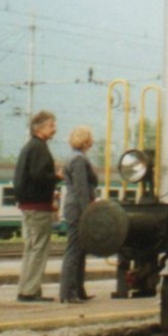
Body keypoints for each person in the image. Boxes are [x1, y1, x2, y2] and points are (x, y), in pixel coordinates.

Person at [14, 110, 61, 303]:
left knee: (31, 248)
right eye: (51, 125)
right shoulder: (39, 148)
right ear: (39, 128)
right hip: (38, 205)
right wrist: (57, 177)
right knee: (39, 248)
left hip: (27, 204)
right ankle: (30, 292)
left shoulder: (29, 147)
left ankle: (26, 288)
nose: (54, 129)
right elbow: (39, 176)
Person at [59, 125, 98, 304]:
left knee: (80, 249)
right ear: (85, 140)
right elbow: (82, 189)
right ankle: (68, 292)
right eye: (90, 137)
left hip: (75, 207)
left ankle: (78, 290)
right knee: (74, 250)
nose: (92, 141)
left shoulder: (74, 158)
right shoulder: (79, 160)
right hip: (78, 209)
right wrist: (88, 212)